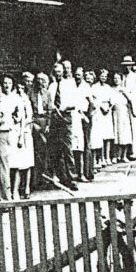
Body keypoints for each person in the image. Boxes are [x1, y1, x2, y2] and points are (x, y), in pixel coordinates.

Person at [47, 62, 79, 191]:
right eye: (56, 72)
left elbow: (75, 103)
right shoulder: (52, 86)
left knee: (67, 149)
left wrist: (64, 107)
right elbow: (49, 104)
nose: (58, 74)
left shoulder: (69, 84)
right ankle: (62, 177)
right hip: (54, 119)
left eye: (60, 71)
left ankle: (72, 179)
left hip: (65, 117)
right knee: (56, 150)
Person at [0, 74, 19, 201]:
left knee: (3, 166)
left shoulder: (5, 101)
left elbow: (0, 120)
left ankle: (5, 198)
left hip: (1, 133)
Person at [10, 82, 35, 199]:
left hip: (25, 133)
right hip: (15, 132)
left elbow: (29, 117)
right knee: (17, 163)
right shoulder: (12, 98)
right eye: (18, 87)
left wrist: (23, 123)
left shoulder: (26, 99)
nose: (20, 90)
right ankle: (16, 189)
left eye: (22, 88)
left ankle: (27, 188)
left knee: (28, 162)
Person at [30, 72, 51, 190]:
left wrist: (48, 124)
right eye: (37, 79)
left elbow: (49, 110)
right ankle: (35, 180)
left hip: (44, 121)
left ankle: (44, 178)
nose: (40, 82)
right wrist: (33, 123)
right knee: (35, 151)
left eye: (42, 80)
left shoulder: (47, 94)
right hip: (34, 121)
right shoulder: (30, 93)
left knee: (44, 150)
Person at [73, 67, 94, 182]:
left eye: (79, 75)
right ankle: (77, 172)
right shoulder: (71, 85)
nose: (77, 77)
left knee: (86, 145)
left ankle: (87, 172)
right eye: (76, 75)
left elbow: (91, 103)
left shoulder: (86, 86)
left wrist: (88, 117)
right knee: (76, 146)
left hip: (84, 117)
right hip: (74, 116)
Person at [119, 57, 136, 159]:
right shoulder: (122, 77)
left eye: (128, 65)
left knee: (133, 129)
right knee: (125, 129)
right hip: (124, 106)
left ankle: (134, 152)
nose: (127, 67)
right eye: (125, 65)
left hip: (133, 105)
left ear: (131, 66)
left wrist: (132, 99)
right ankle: (126, 152)